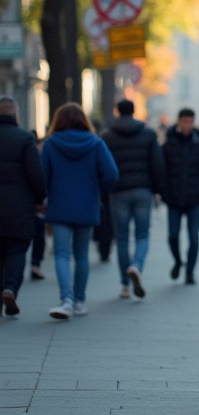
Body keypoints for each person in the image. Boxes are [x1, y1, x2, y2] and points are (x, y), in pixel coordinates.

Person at [41, 103, 119, 319]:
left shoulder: (51, 144)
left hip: (59, 205)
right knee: (82, 254)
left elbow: (41, 176)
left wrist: (45, 195)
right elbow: (112, 173)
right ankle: (79, 302)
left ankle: (65, 300)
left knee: (62, 254)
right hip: (87, 205)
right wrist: (97, 189)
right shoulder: (95, 143)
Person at [100, 99, 164, 299]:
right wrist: (158, 191)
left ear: (117, 111)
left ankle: (125, 285)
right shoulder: (148, 134)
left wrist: (105, 190)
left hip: (118, 191)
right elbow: (157, 164)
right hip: (143, 190)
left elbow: (103, 166)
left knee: (121, 238)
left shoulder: (107, 136)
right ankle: (136, 265)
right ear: (135, 111)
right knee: (142, 235)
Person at [0, 97, 46, 316]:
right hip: (19, 208)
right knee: (17, 250)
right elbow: (35, 175)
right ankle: (10, 288)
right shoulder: (25, 138)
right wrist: (40, 199)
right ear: (15, 113)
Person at [161, 108, 199, 285]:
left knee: (194, 237)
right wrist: (165, 192)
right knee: (172, 236)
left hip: (194, 200)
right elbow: (161, 171)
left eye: (190, 122)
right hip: (174, 199)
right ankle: (178, 261)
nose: (187, 125)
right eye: (184, 121)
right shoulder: (169, 144)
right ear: (179, 122)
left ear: (193, 122)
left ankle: (190, 272)